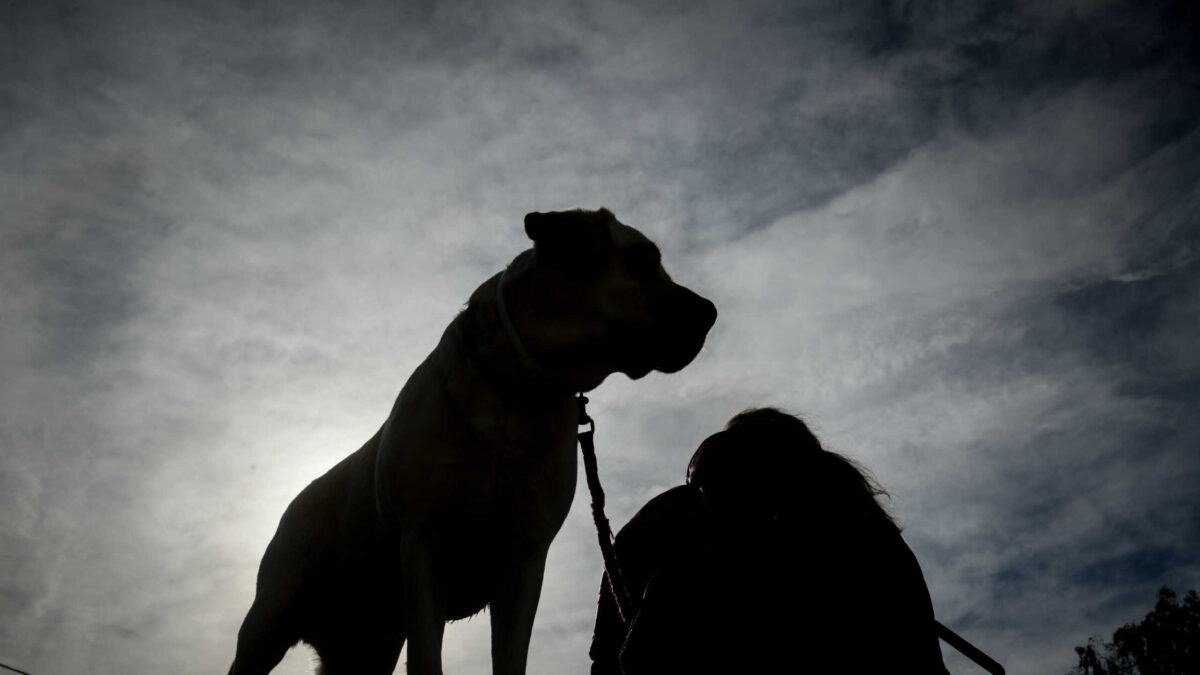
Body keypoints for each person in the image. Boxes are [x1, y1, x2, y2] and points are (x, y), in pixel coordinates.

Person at [589, 408, 949, 674]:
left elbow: (633, 658)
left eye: (713, 482)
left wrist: (639, 554)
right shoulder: (859, 530)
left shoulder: (821, 540)